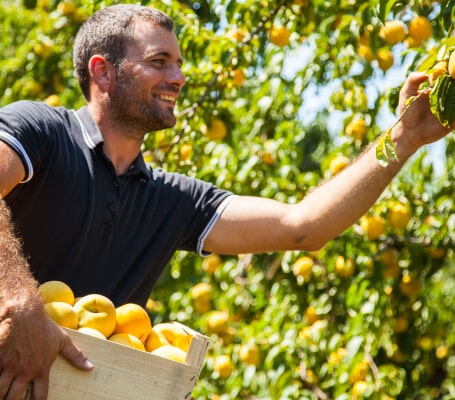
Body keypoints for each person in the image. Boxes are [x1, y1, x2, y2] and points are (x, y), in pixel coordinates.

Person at [0, 3, 452, 399]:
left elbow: (304, 227)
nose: (178, 78)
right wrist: (20, 305)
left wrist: (405, 138)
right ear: (103, 71)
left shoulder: (173, 200)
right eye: (160, 62)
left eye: (179, 64)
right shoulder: (42, 130)